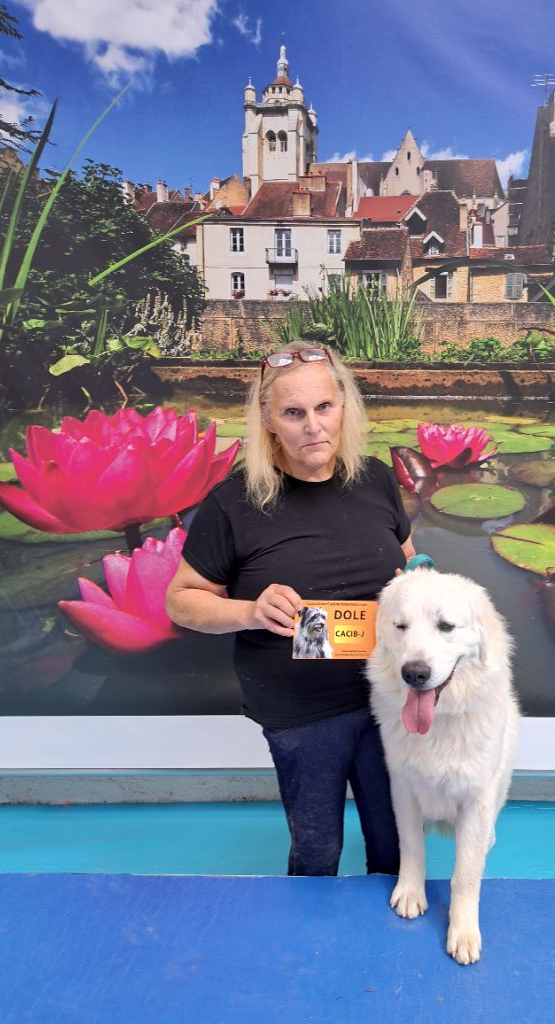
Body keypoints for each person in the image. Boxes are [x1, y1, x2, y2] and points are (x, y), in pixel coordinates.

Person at [166, 340, 415, 877]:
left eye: (324, 407)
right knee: (316, 852)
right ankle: (314, 928)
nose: (313, 427)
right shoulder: (235, 501)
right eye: (294, 413)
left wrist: (418, 586)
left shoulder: (375, 478)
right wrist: (251, 611)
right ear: (268, 420)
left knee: (398, 847)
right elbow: (181, 601)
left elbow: (411, 561)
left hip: (388, 698)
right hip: (303, 713)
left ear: (344, 405)